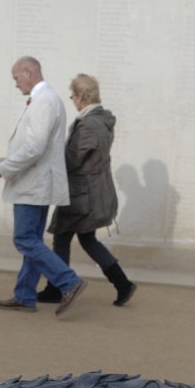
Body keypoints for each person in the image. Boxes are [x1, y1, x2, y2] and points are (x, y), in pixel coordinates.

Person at [0, 56, 87, 316]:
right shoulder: (45, 99)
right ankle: (25, 295)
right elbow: (34, 146)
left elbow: (34, 147)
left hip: (33, 184)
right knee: (32, 240)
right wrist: (4, 161)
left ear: (29, 72)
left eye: (16, 78)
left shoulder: (44, 100)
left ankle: (69, 282)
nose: (16, 84)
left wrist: (3, 169)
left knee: (25, 239)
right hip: (35, 182)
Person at [37, 74, 136, 307]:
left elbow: (72, 160)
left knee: (61, 238)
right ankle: (122, 283)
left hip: (81, 194)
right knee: (87, 239)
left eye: (72, 96)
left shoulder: (90, 124)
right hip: (90, 192)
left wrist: (49, 154)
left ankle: (57, 287)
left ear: (81, 96)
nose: (72, 100)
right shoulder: (101, 119)